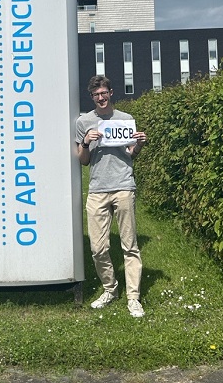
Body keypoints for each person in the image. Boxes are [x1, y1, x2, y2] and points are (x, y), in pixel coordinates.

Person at [75, 75, 147, 317]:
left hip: (124, 185)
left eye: (104, 93)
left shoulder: (126, 119)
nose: (101, 97)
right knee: (98, 248)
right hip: (97, 188)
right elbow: (83, 161)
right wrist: (85, 142)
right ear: (92, 97)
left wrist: (139, 145)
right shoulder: (84, 122)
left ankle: (133, 297)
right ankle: (110, 288)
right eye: (96, 95)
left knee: (130, 245)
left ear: (111, 93)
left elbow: (131, 153)